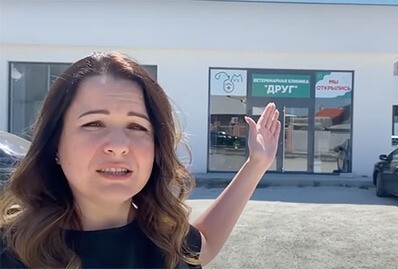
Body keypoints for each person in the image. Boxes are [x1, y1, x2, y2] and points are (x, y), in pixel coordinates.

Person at [0, 52, 280, 268]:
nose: (119, 146)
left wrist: (256, 164)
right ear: (54, 143)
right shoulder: (13, 250)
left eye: (137, 127)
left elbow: (202, 247)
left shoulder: (165, 237)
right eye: (94, 123)